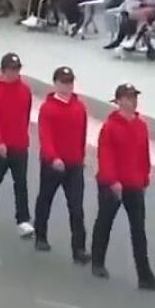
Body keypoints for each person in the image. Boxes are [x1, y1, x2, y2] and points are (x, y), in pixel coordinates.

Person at [91, 84, 155, 290]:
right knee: (104, 222)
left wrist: (145, 178)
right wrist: (113, 181)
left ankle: (145, 275)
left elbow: (143, 154)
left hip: (134, 185)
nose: (133, 101)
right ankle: (97, 261)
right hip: (112, 185)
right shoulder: (110, 127)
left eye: (134, 97)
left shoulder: (141, 125)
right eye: (128, 98)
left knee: (138, 230)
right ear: (119, 100)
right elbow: (105, 156)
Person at [34, 67, 91, 263]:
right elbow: (45, 135)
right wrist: (53, 157)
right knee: (45, 199)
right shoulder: (48, 108)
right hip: (53, 164)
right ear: (56, 83)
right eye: (64, 82)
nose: (67, 86)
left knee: (76, 207)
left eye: (70, 82)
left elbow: (82, 134)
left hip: (74, 165)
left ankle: (79, 248)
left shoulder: (79, 107)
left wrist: (81, 156)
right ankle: (41, 235)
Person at [0, 53, 34, 234]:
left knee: (21, 183)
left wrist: (23, 138)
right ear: (4, 71)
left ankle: (23, 219)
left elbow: (25, 115)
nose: (14, 73)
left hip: (19, 144)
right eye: (11, 69)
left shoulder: (25, 90)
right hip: (1, 146)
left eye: (17, 69)